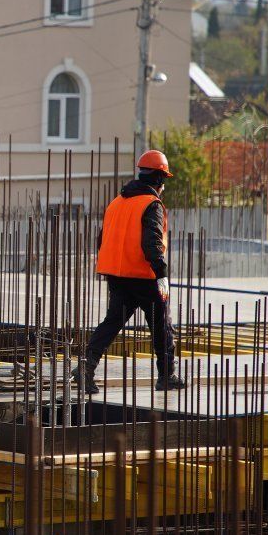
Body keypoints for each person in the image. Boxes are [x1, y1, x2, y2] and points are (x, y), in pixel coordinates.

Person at [72, 150, 186, 394]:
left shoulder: (117, 202)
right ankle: (167, 376)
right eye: (164, 179)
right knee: (161, 325)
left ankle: (85, 368)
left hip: (117, 275)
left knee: (112, 322)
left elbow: (102, 239)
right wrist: (162, 275)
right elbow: (152, 243)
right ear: (158, 179)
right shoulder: (151, 204)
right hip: (144, 276)